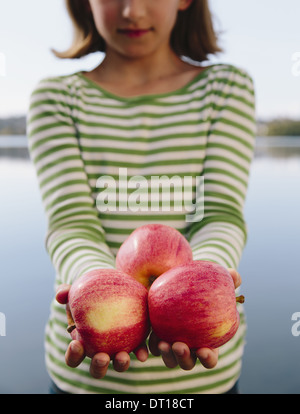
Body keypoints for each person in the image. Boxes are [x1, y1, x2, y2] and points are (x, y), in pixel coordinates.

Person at [27, 0, 256, 394]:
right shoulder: (58, 97)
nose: (132, 11)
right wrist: (91, 284)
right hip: (85, 369)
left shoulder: (225, 88)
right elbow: (71, 223)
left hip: (205, 378)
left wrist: (209, 278)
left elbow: (219, 213)